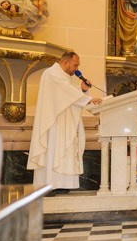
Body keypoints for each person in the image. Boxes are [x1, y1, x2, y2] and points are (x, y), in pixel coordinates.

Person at [28, 52, 103, 191]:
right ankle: (48, 185)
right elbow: (67, 92)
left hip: (66, 122)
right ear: (66, 62)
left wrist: (83, 90)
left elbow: (71, 94)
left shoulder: (66, 77)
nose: (77, 68)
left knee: (64, 152)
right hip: (54, 122)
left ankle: (62, 184)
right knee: (53, 152)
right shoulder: (51, 74)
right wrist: (88, 99)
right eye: (75, 65)